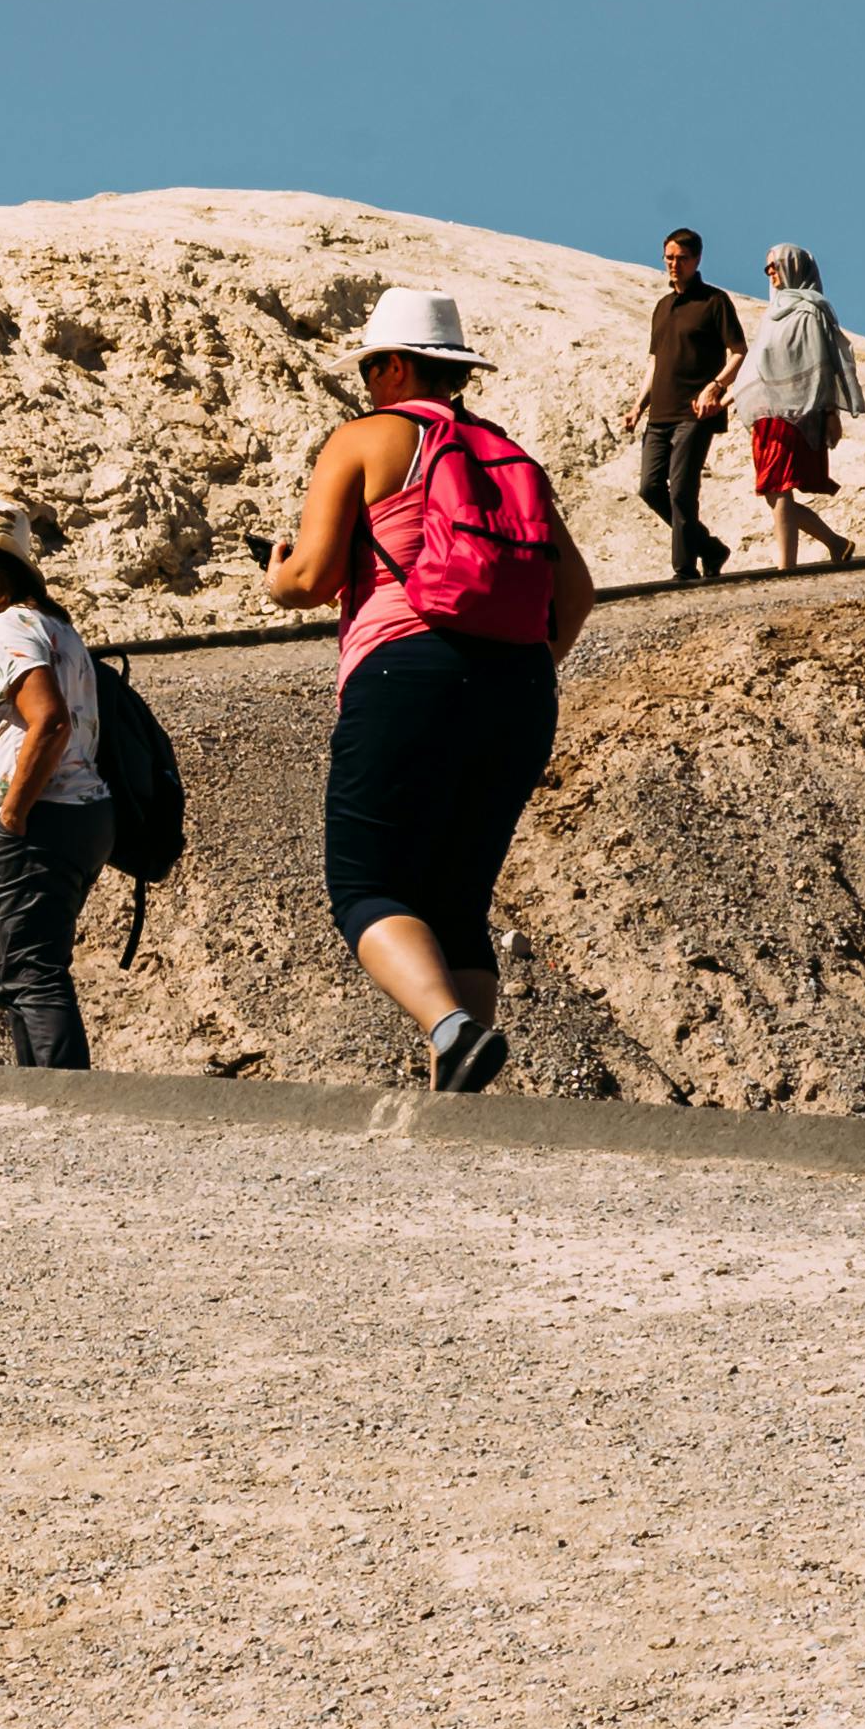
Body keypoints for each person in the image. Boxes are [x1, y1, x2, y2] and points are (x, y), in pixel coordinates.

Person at [265, 289, 595, 1097]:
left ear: (394, 366)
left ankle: (449, 1028)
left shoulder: (363, 438)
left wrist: (276, 576)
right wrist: (511, 662)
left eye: (369, 367)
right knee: (456, 901)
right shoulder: (504, 450)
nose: (366, 383)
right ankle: (459, 1097)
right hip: (520, 685)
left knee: (365, 885)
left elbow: (310, 577)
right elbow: (576, 592)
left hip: (404, 669)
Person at [0, 494, 110, 1067]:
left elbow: (51, 720)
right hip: (76, 816)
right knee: (11, 966)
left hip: (44, 818)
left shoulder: (13, 625)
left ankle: (66, 1102)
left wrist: (12, 816)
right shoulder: (53, 626)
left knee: (30, 971)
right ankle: (39, 1088)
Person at [737, 245, 865, 566]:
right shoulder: (772, 313)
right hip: (766, 413)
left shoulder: (810, 311)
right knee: (773, 491)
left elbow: (820, 365)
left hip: (795, 413)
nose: (770, 272)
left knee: (779, 486)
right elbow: (757, 365)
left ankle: (786, 568)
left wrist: (831, 413)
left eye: (775, 265)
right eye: (767, 267)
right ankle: (836, 543)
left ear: (793, 267)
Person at [633, 226, 746, 585]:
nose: (674, 264)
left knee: (682, 489)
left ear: (697, 260)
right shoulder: (662, 307)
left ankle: (684, 569)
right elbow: (655, 361)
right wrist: (638, 406)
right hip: (660, 413)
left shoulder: (715, 302)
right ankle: (710, 548)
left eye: (682, 258)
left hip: (696, 413)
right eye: (669, 257)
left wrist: (716, 387)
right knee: (650, 487)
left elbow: (739, 352)